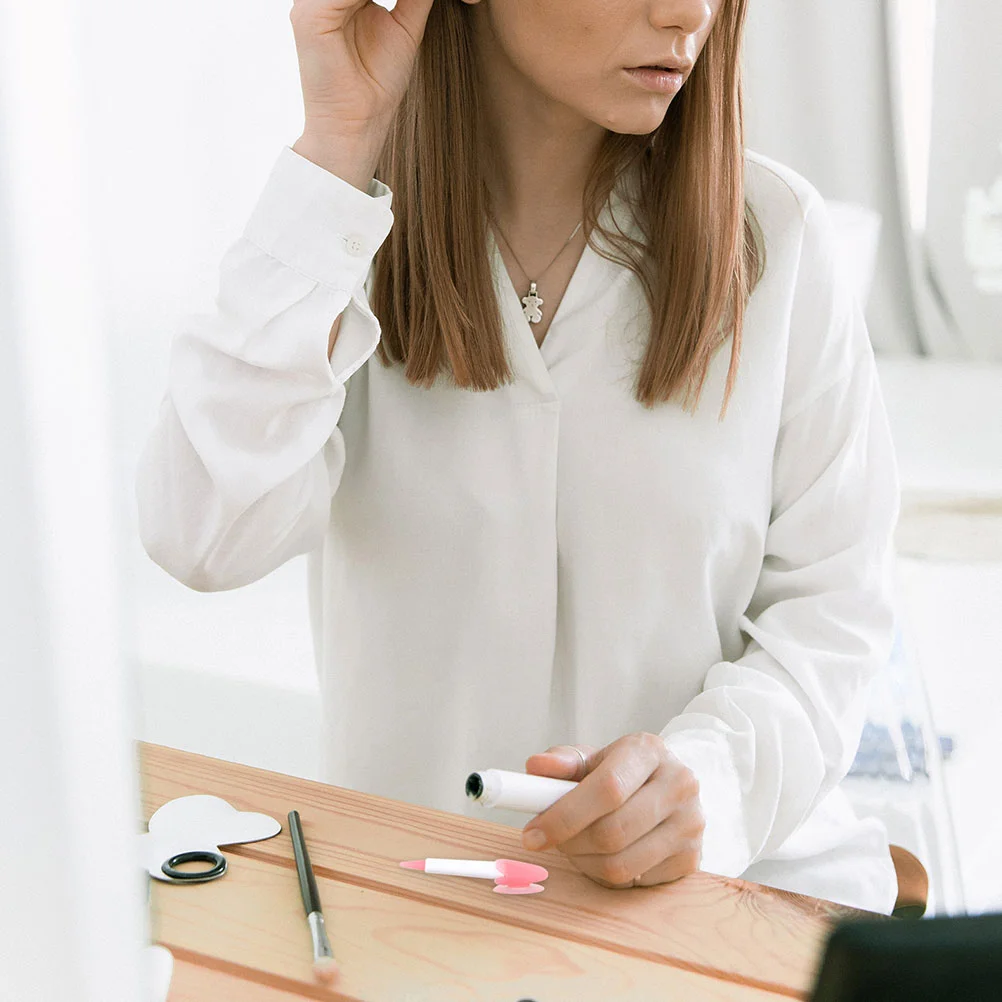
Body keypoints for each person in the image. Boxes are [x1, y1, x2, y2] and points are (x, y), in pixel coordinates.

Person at [136, 0, 901, 913]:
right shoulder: (338, 240)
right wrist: (338, 142)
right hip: (426, 907)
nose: (688, 13)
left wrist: (710, 781)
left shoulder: (776, 235)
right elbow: (202, 535)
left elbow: (832, 616)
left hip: (719, 903)